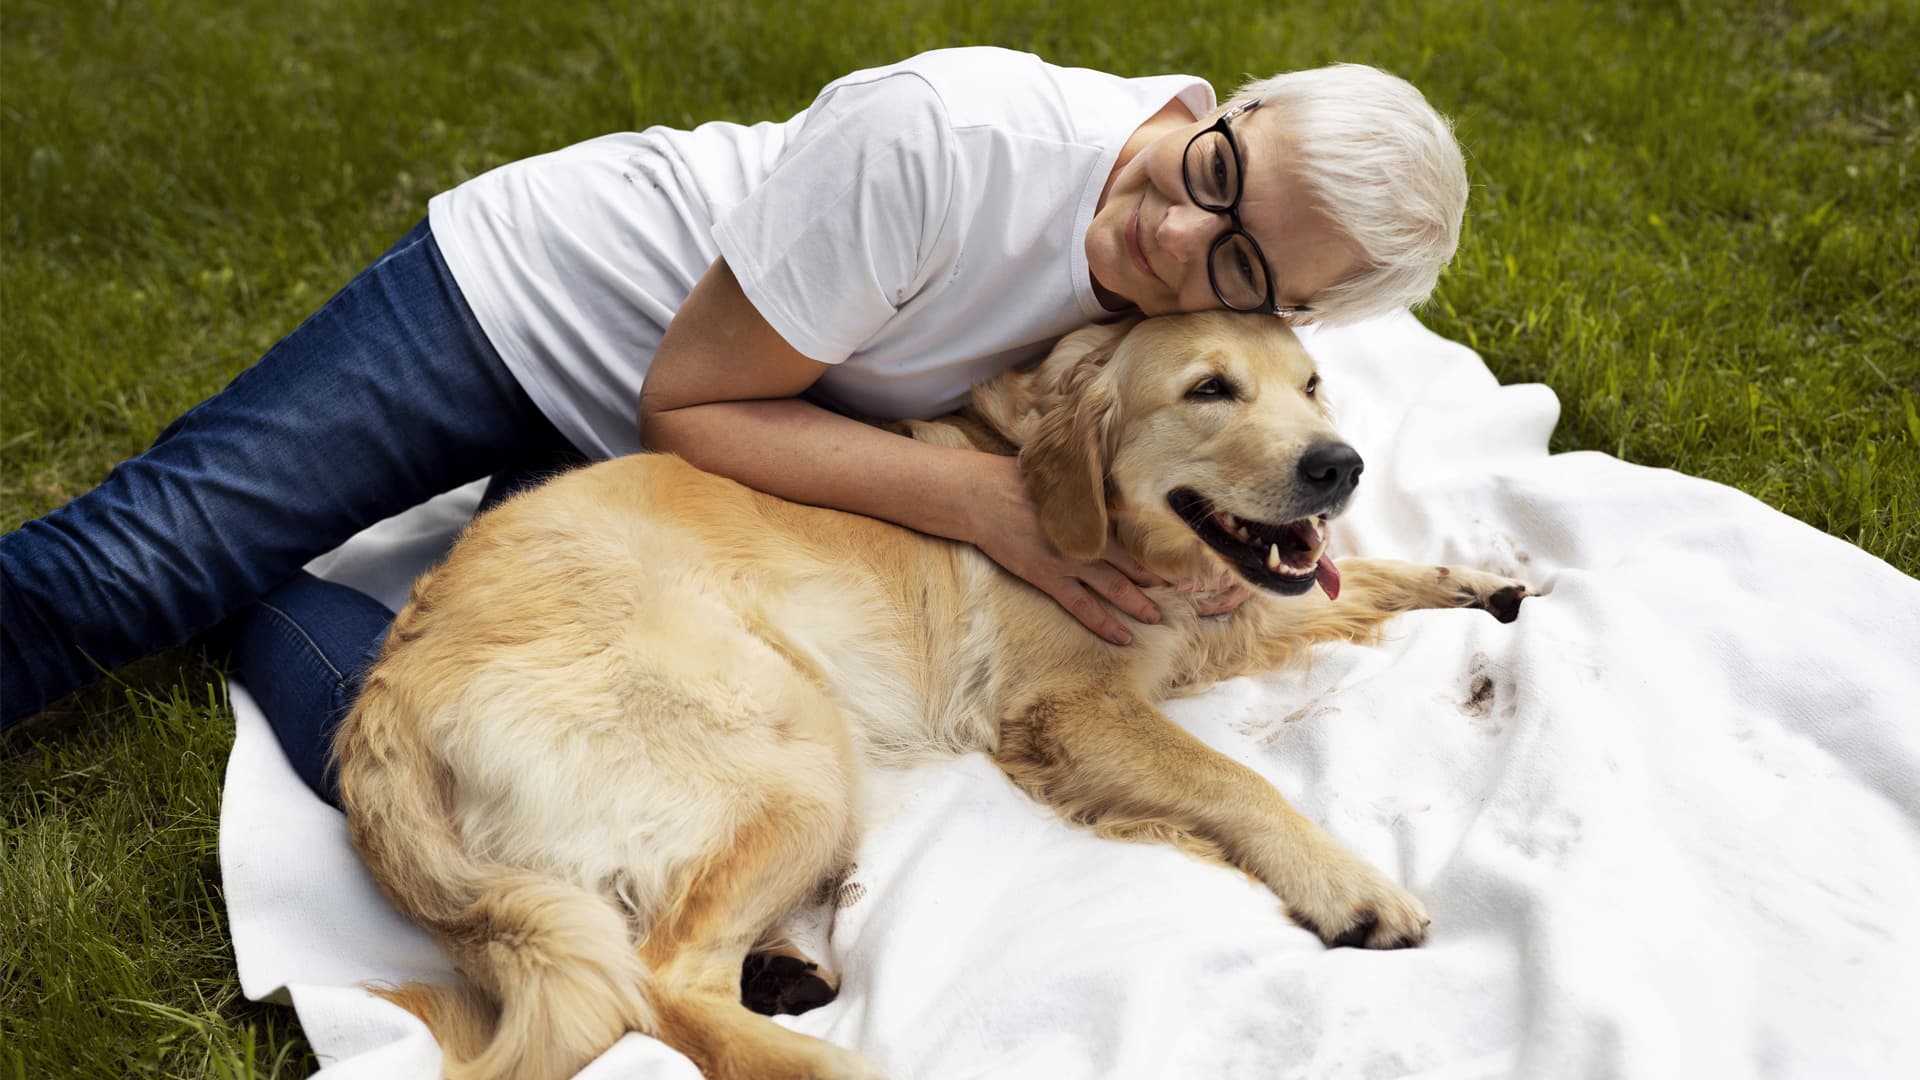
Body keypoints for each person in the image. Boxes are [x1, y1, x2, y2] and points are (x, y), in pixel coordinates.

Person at [0, 47, 1468, 804]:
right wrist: (992, 507)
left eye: (1241, 262)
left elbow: (1168, 455)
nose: (1175, 227)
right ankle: (232, 561)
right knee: (129, 570)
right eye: (1214, 169)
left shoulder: (1188, 325)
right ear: (1232, 103)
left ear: (1296, 314)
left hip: (675, 461)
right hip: (524, 315)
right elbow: (690, 400)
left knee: (489, 753)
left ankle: (265, 589)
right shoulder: (953, 136)